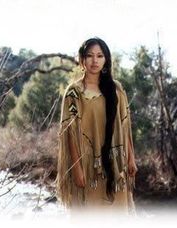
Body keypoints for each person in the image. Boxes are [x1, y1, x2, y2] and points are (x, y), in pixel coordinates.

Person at [56, 37, 137, 214]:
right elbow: (70, 132)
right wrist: (77, 170)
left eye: (100, 56)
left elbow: (125, 125)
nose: (95, 61)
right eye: (90, 55)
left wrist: (131, 158)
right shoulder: (74, 92)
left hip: (117, 170)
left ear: (106, 59)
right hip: (88, 170)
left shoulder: (116, 90)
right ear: (82, 59)